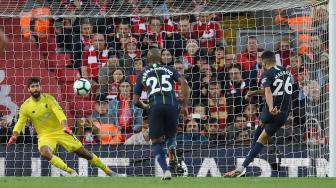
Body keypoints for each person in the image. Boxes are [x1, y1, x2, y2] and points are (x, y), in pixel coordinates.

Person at [7, 77, 117, 176]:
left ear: (40, 87)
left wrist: (65, 126)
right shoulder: (25, 106)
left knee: (84, 153)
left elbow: (59, 113)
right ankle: (70, 172)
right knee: (44, 152)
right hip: (45, 135)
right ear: (28, 89)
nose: (35, 88)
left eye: (37, 86)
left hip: (61, 131)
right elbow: (20, 122)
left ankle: (108, 171)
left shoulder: (49, 99)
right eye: (32, 86)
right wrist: (14, 135)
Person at [224, 51, 293, 177]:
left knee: (261, 139)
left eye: (261, 63)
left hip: (272, 111)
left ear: (265, 62)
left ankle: (242, 168)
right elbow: (277, 90)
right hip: (283, 112)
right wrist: (254, 92)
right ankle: (248, 162)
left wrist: (271, 107)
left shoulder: (267, 73)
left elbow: (268, 91)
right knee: (259, 132)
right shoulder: (286, 72)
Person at [133, 48, 190, 180]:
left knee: (157, 142)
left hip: (155, 107)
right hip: (172, 106)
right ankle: (171, 147)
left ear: (147, 60)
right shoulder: (169, 69)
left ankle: (166, 171)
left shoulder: (142, 73)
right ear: (161, 59)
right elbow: (184, 83)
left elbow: (135, 101)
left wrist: (145, 105)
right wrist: (185, 104)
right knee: (171, 136)